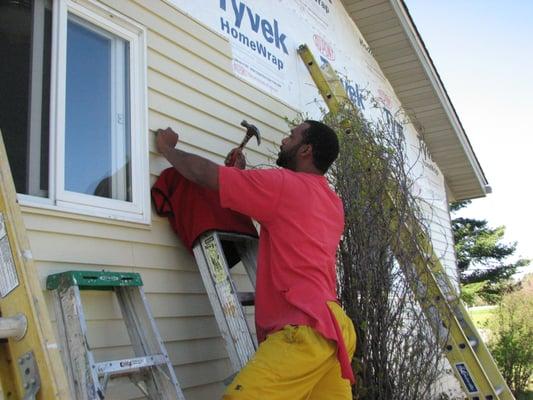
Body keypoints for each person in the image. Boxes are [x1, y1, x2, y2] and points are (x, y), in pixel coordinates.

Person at [156, 120, 356, 400]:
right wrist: (240, 176)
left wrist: (168, 149)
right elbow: (286, 214)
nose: (284, 140)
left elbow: (204, 174)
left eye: (291, 136)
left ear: (305, 150)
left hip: (304, 330)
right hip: (336, 329)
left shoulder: (283, 185)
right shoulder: (332, 201)